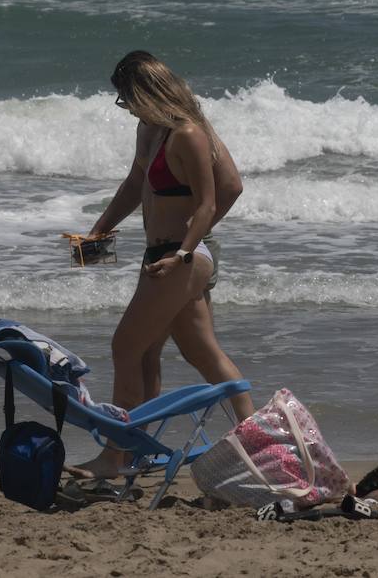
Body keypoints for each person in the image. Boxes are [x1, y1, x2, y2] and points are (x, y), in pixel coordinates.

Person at [75, 51, 253, 478]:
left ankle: (115, 456)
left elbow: (217, 197)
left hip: (183, 256)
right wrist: (100, 229)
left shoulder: (188, 133)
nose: (125, 107)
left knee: (126, 347)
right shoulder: (149, 130)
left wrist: (185, 250)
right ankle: (256, 437)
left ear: (145, 91)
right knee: (194, 351)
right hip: (162, 255)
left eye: (126, 98)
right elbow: (137, 183)